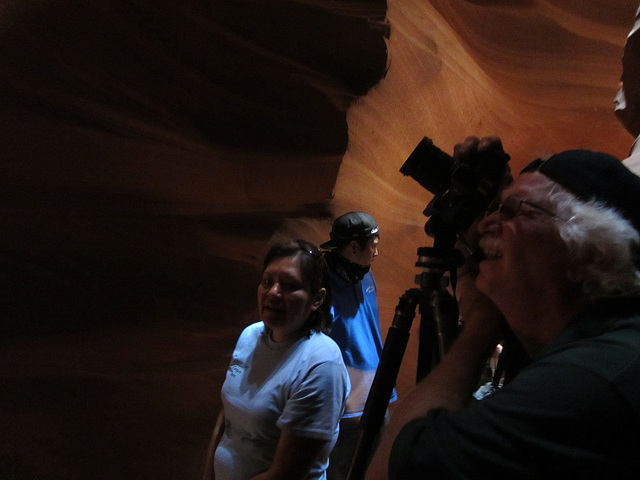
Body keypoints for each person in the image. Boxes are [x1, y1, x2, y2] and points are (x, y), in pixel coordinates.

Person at [365, 136, 640, 479]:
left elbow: (388, 471)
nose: (483, 225)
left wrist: (482, 320)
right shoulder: (610, 343)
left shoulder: (585, 383)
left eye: (513, 211)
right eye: (494, 207)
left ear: (591, 253)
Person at [205, 239, 350, 480]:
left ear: (317, 299)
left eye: (290, 285)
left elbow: (285, 475)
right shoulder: (250, 336)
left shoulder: (321, 365)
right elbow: (228, 422)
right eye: (267, 281)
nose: (273, 292)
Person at [319, 212, 396, 480]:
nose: (377, 251)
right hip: (346, 409)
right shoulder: (321, 281)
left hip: (376, 394)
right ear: (354, 247)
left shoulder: (363, 275)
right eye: (373, 243)